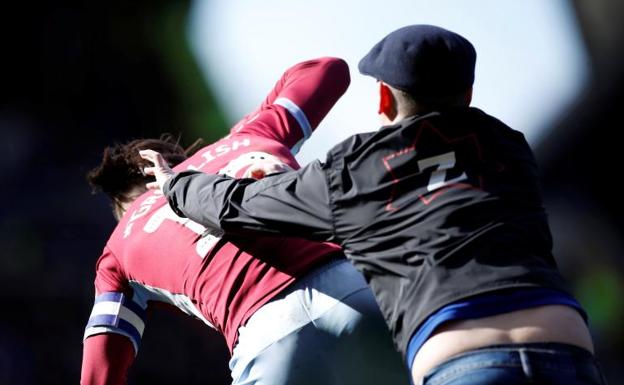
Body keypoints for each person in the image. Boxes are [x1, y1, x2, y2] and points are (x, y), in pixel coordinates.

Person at [144, 25, 607, 385]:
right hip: (568, 343)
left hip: (462, 359)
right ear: (467, 94)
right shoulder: (511, 150)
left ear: (384, 97)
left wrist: (176, 184)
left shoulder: (357, 171)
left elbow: (240, 206)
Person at [80, 57, 409, 385]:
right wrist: (249, 126)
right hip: (356, 288)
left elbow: (99, 373)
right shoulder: (249, 136)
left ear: (125, 208)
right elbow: (329, 70)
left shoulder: (118, 247)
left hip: (265, 339)